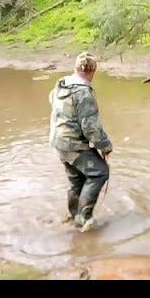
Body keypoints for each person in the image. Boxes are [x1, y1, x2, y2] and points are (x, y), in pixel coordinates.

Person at [48, 52, 113, 232]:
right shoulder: (84, 92)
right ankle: (83, 219)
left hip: (58, 141)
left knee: (76, 180)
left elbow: (51, 99)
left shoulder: (61, 83)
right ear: (93, 71)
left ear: (76, 68)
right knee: (100, 172)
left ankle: (73, 214)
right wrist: (106, 146)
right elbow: (90, 127)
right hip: (73, 144)